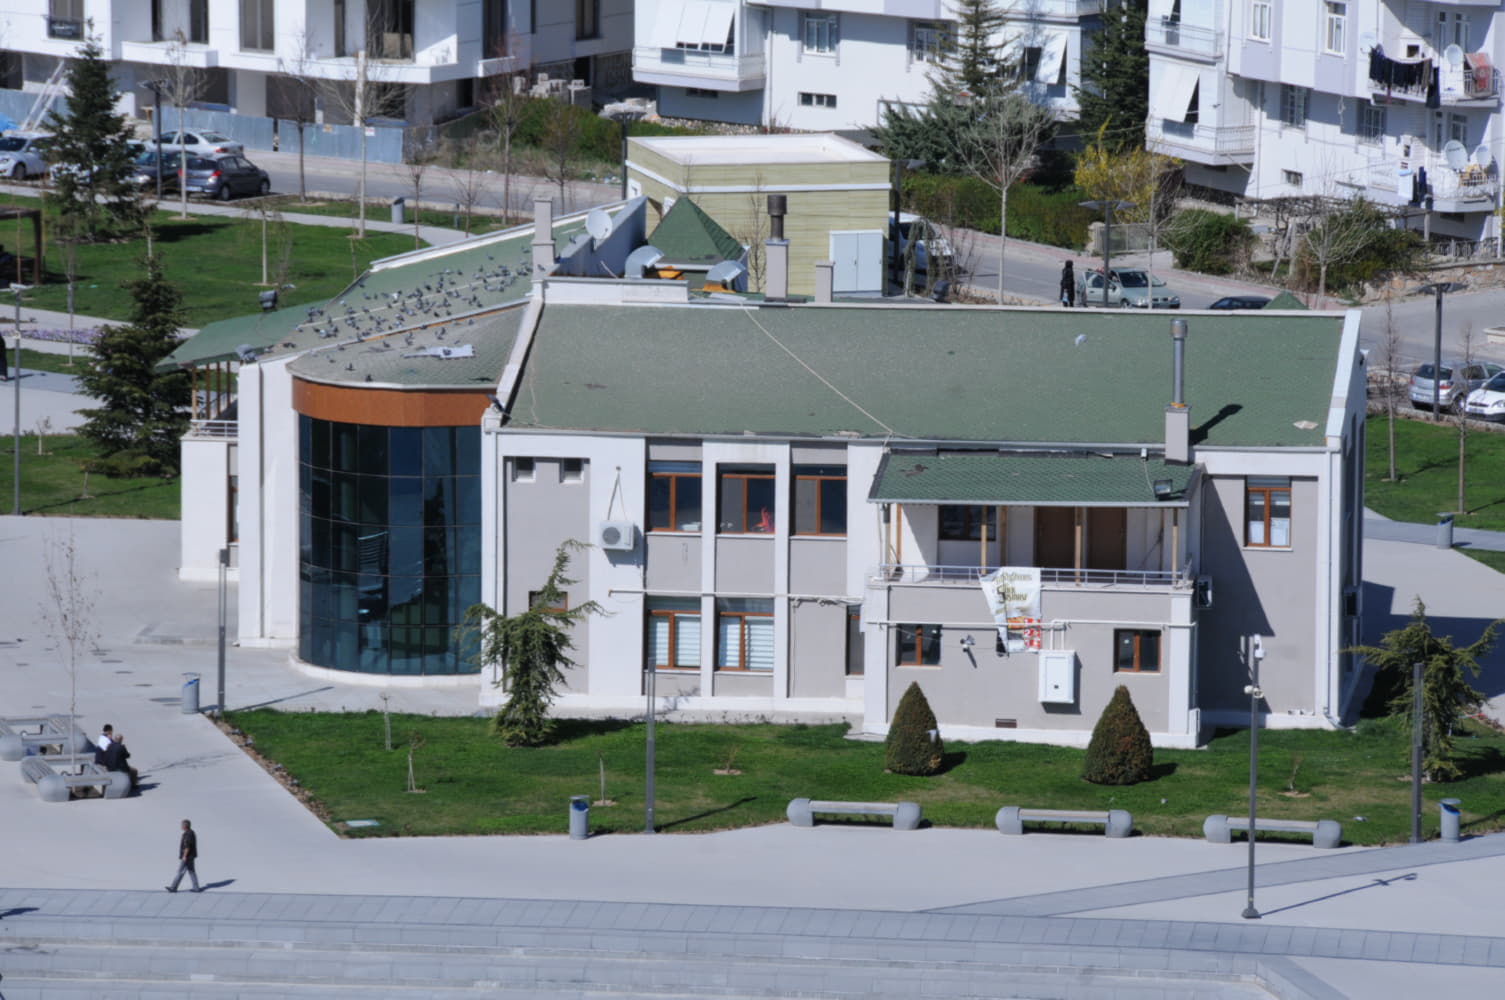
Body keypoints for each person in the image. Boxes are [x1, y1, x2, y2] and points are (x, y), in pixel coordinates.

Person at [166, 819, 200, 893]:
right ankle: (196, 888)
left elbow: (187, 846)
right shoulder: (191, 832)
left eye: (182, 825)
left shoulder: (188, 834)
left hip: (187, 857)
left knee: (180, 872)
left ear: (185, 826)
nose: (181, 826)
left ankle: (173, 887)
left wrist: (184, 856)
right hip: (191, 856)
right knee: (191, 872)